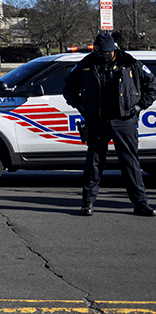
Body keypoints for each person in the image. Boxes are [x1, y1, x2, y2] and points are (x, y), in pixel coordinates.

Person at [63, 32, 156, 217]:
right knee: (94, 163)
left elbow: (151, 86)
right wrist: (81, 106)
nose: (101, 57)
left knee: (130, 163)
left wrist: (139, 107)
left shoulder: (130, 63)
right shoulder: (86, 64)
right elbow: (68, 88)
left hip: (125, 121)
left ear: (113, 51)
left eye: (104, 54)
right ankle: (87, 203)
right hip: (97, 120)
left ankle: (140, 204)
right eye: (98, 53)